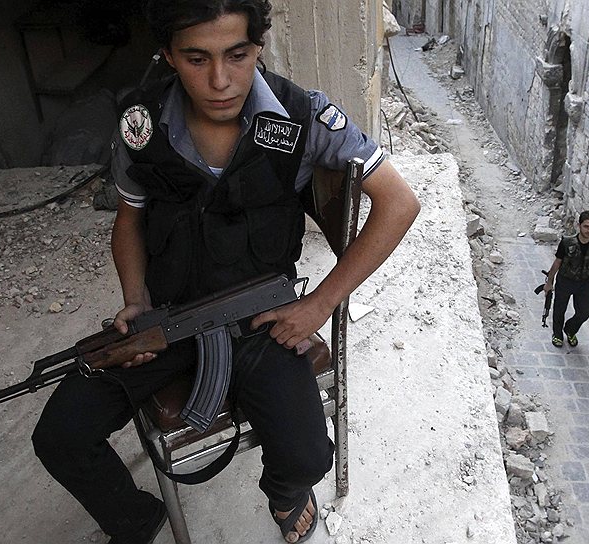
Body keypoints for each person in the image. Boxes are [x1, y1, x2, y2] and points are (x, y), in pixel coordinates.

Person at [30, 1, 420, 543]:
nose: (219, 81)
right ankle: (135, 519)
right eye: (196, 59)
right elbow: (129, 218)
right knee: (60, 435)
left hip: (262, 324)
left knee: (309, 457)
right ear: (168, 55)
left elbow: (400, 203)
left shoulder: (300, 115)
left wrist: (319, 303)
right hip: (170, 318)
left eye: (237, 55)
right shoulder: (141, 123)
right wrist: (136, 301)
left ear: (258, 46)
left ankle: (285, 494)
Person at [543, 210, 589, 348]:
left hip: (584, 283)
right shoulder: (567, 242)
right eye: (586, 226)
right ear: (579, 226)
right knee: (559, 309)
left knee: (584, 312)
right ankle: (557, 334)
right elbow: (557, 262)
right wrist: (549, 282)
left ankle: (570, 329)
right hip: (565, 280)